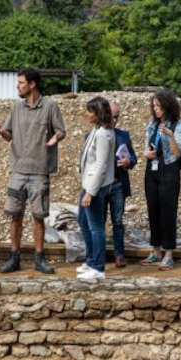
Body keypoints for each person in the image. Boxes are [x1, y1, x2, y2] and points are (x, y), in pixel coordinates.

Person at [0, 68, 65, 275]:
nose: (18, 86)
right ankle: (14, 258)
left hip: (40, 170)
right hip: (18, 171)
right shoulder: (16, 108)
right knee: (15, 215)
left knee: (38, 216)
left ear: (32, 84)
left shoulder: (50, 106)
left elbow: (61, 130)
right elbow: (9, 136)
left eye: (21, 83)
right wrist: (0, 131)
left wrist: (55, 138)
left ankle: (39, 259)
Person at [141, 90, 181, 270]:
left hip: (169, 170)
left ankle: (168, 253)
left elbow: (177, 154)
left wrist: (170, 136)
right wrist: (146, 153)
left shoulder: (178, 126)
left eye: (159, 106)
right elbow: (146, 148)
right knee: (153, 209)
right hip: (152, 170)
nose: (156, 109)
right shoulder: (152, 125)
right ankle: (155, 250)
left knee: (168, 212)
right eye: (154, 106)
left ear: (168, 106)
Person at [75, 96, 116, 282]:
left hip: (95, 187)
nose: (86, 114)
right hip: (89, 184)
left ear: (97, 113)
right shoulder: (97, 130)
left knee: (95, 227)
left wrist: (91, 192)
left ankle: (98, 268)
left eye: (90, 111)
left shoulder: (103, 134)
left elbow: (101, 165)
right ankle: (91, 260)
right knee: (83, 221)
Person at [106, 101, 137, 269]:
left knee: (117, 222)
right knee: (99, 221)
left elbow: (134, 158)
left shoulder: (124, 135)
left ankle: (119, 255)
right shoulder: (91, 136)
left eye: (116, 116)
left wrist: (128, 161)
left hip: (118, 185)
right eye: (111, 116)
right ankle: (99, 254)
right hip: (101, 185)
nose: (114, 120)